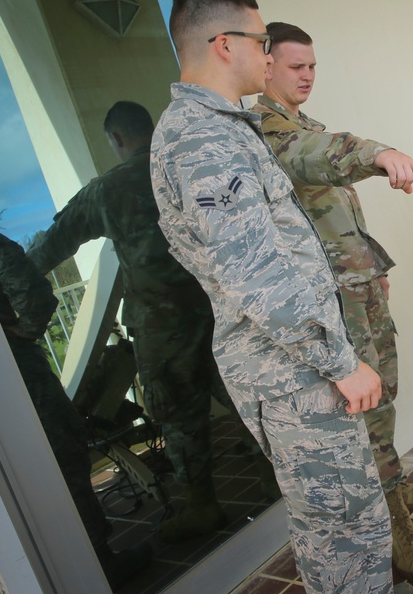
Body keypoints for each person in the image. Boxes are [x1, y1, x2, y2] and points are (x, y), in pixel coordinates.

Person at [149, 0, 410, 594]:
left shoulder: (219, 127)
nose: (269, 56)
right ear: (223, 44)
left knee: (344, 525)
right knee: (343, 532)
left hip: (293, 368)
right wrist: (340, 361)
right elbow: (256, 274)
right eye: (262, 42)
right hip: (292, 375)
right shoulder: (203, 141)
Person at [27, 101, 277, 545]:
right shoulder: (188, 168)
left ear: (116, 140)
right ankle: (276, 486)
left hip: (163, 328)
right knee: (246, 400)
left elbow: (50, 248)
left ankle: (202, 506)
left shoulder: (107, 191)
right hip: (222, 311)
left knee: (180, 415)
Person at [252, 21, 413, 582]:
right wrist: (378, 153)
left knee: (384, 397)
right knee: (366, 416)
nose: (308, 75)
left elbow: (333, 212)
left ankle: (397, 491)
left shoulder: (301, 122)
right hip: (331, 303)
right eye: (295, 66)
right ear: (266, 68)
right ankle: (396, 529)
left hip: (358, 290)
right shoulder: (268, 130)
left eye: (312, 65)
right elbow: (318, 159)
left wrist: (371, 267)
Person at [0, 222, 152, 590]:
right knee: (60, 451)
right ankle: (98, 565)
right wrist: (24, 331)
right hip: (7, 371)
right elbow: (27, 284)